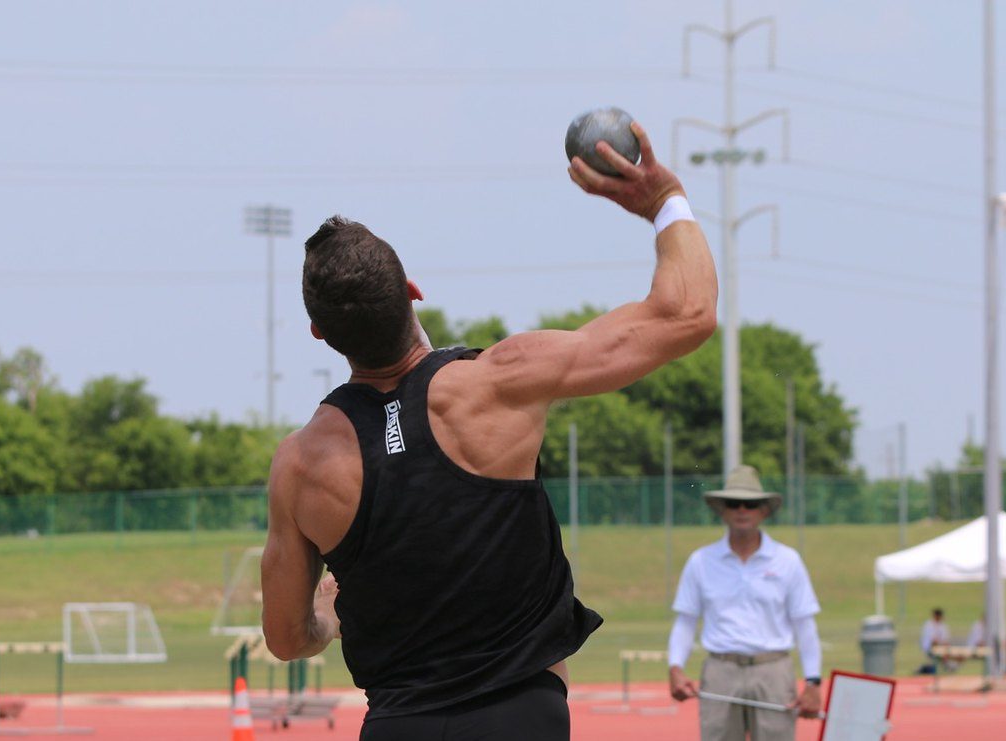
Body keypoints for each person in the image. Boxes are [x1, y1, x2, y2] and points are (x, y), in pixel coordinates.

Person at [258, 121, 718, 739]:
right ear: (413, 293)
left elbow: (286, 640)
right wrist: (664, 201)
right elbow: (686, 314)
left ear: (321, 334)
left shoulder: (300, 466)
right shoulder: (499, 381)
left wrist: (325, 619)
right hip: (521, 717)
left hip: (398, 725)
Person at [667, 465, 824, 740]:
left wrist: (813, 681)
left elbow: (805, 624)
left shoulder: (787, 560)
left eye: (750, 504)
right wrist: (675, 667)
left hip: (773, 670)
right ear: (722, 510)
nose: (742, 510)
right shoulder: (701, 561)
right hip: (721, 670)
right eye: (733, 503)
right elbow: (686, 620)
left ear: (764, 510)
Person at [920, 608, 954, 673]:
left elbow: (945, 639)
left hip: (941, 647)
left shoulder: (943, 625)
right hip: (929, 648)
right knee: (940, 650)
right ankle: (947, 665)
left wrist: (944, 645)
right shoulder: (928, 625)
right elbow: (933, 641)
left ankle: (949, 665)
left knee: (948, 650)